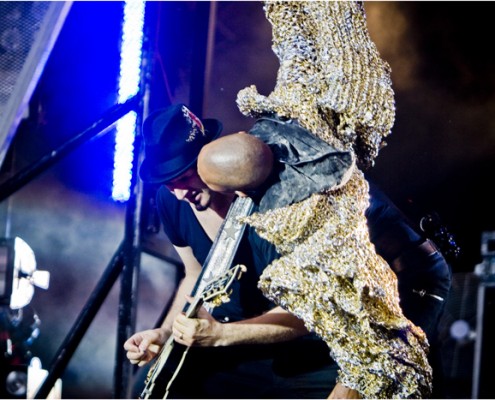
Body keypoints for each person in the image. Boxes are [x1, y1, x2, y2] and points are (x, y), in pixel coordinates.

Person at [125, 104, 451, 399]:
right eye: (168, 183)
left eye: (184, 177)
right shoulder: (174, 201)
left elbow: (319, 310)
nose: (180, 193)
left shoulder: (293, 207)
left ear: (210, 157)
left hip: (381, 300)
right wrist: (165, 331)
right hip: (279, 326)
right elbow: (194, 273)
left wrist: (222, 334)